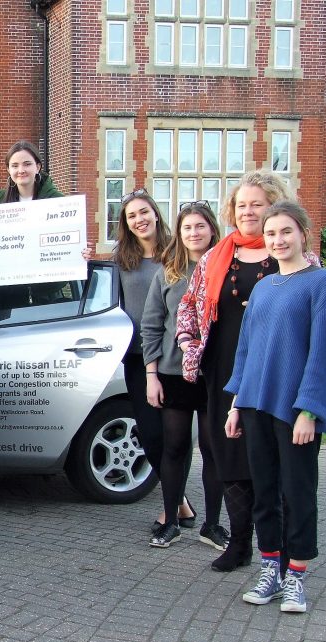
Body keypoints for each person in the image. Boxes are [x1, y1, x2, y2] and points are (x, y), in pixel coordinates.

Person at [176, 170, 311, 572]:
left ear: (274, 207)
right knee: (229, 457)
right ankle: (239, 544)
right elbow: (188, 305)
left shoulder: (294, 255)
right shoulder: (217, 256)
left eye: (257, 204)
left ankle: (285, 550)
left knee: (275, 461)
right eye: (241, 205)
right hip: (224, 372)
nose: (248, 211)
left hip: (276, 373)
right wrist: (188, 343)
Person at [224, 201, 326, 613]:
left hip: (295, 410)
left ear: (303, 234)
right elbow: (246, 349)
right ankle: (271, 568)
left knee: (298, 492)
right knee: (264, 493)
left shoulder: (323, 283)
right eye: (271, 233)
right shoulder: (263, 287)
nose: (278, 240)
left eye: (286, 232)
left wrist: (310, 410)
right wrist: (236, 403)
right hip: (255, 403)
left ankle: (296, 576)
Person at [141, 201, 225, 549]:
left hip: (214, 373)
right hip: (175, 373)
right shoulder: (168, 272)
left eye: (200, 227)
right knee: (174, 447)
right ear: (180, 232)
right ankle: (171, 520)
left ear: (211, 230)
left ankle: (213, 524)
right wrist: (152, 375)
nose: (194, 233)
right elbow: (151, 325)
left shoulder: (226, 268)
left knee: (213, 448)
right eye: (188, 227)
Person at [113, 189, 191, 532]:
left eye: (143, 212)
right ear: (126, 225)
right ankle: (181, 502)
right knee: (150, 434)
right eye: (131, 216)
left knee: (176, 436)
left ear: (156, 214)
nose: (139, 220)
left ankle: (170, 510)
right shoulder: (122, 259)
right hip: (138, 358)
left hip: (175, 357)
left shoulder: (179, 254)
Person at [0, 140, 62, 204]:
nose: (21, 171)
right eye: (15, 166)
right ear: (9, 170)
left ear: (37, 167)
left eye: (27, 164)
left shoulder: (58, 199)